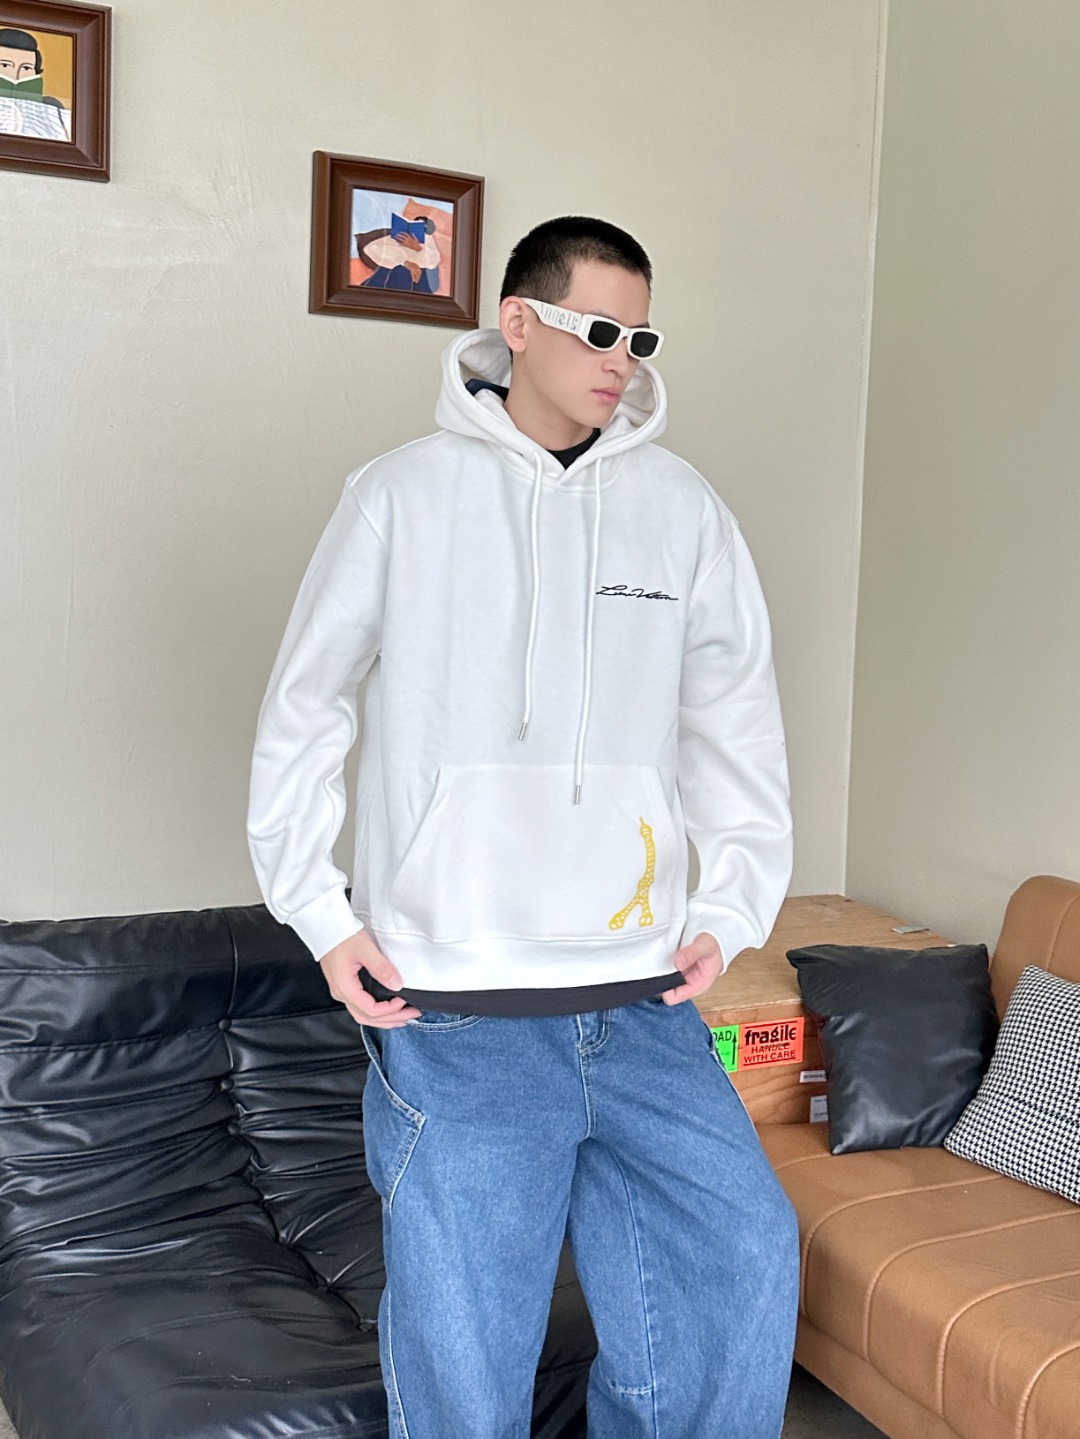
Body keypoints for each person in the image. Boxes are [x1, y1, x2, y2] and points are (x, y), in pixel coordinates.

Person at [247, 215, 800, 1439]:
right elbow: (304, 707)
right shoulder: (399, 495)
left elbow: (737, 721)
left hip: (643, 1000)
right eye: (598, 329)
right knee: (469, 1350)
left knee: (739, 1256)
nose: (622, 360)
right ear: (518, 322)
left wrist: (731, 904)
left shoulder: (681, 507)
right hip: (459, 1007)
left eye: (641, 338)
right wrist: (325, 916)